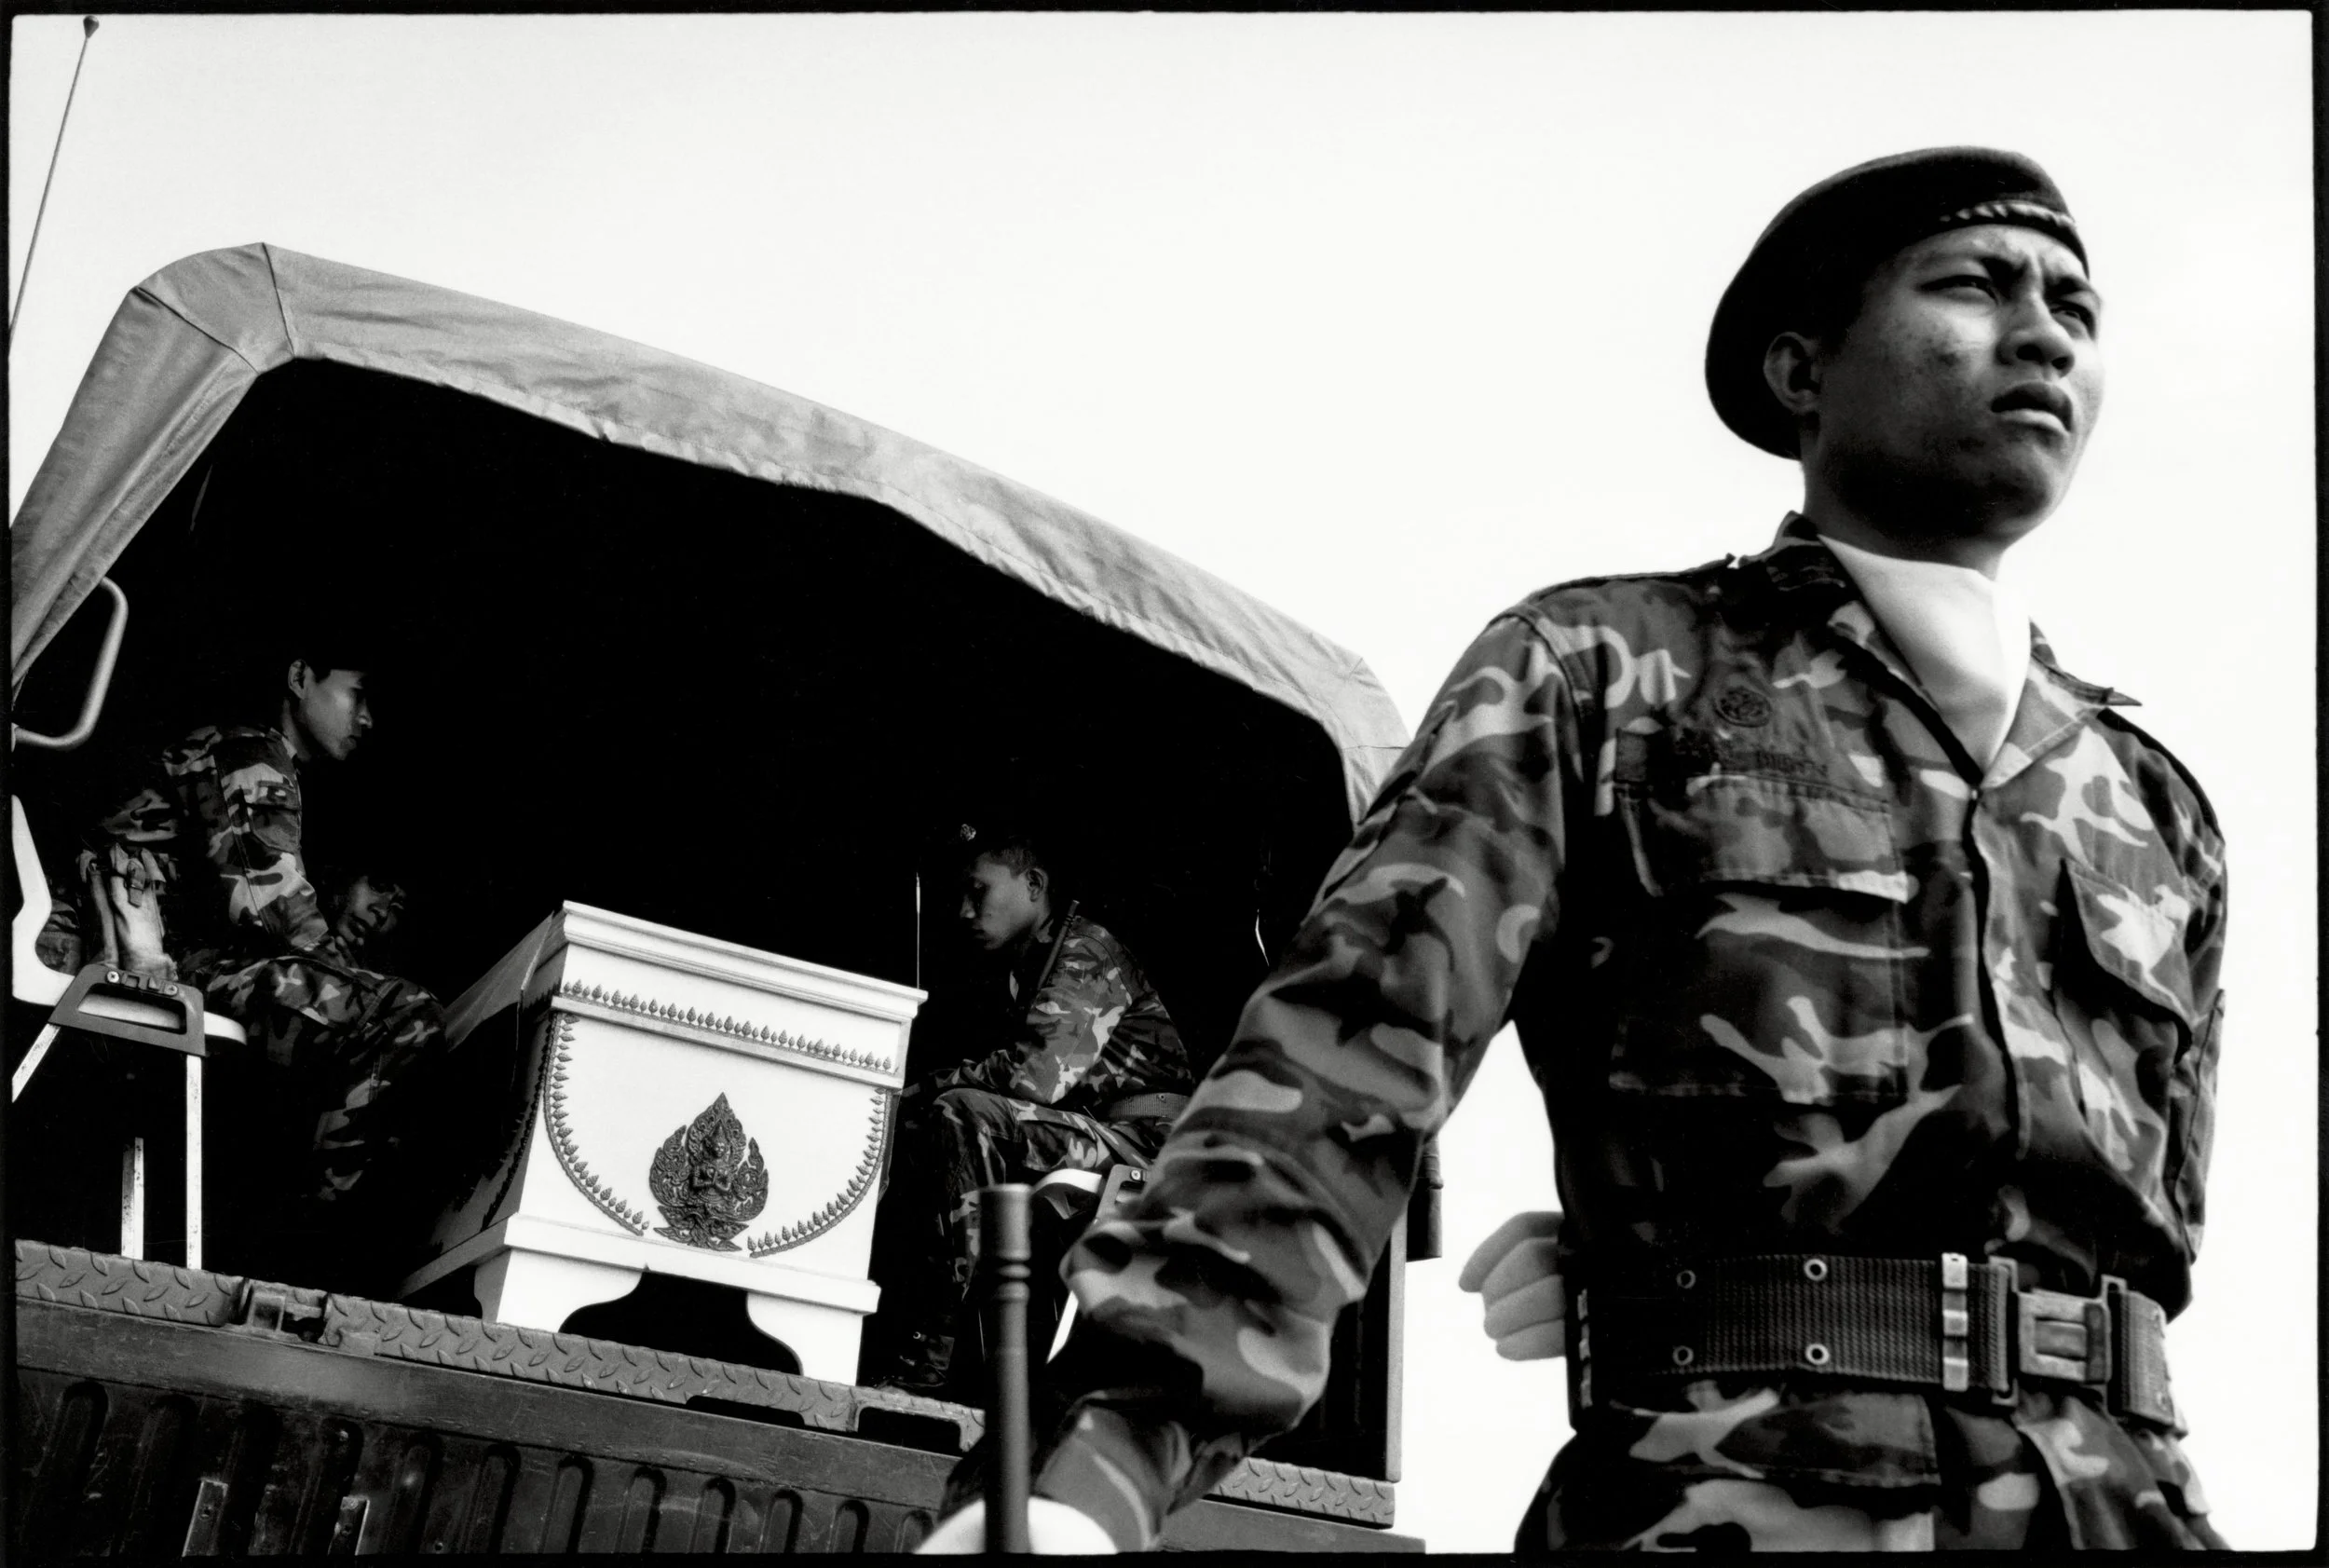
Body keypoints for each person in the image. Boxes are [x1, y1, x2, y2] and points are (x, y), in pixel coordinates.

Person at [920, 148, 2226, 1551]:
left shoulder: (2154, 806)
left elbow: (2140, 1255)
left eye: (2077, 312)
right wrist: (1090, 1476)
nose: (2043, 334)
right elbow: (1332, 1077)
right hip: (1739, 1504)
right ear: (1803, 370)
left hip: (2127, 1509)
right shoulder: (1607, 673)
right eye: (1976, 286)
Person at [86, 638, 445, 1288]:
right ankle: (313, 1258)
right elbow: (273, 908)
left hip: (175, 956)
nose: (367, 720)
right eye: (358, 695)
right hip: (159, 961)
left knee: (362, 1017)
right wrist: (361, 982)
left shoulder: (264, 758)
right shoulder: (251, 753)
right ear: (300, 676)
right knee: (403, 1016)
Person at [868, 825, 1195, 1396]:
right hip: (1109, 1131)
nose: (965, 910)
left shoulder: (1086, 952)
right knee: (945, 1117)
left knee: (963, 1114)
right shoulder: (1033, 961)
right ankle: (935, 1333)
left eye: (979, 891)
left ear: (1034, 884)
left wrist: (929, 1087)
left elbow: (1034, 1080)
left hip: (1148, 1143)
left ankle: (934, 1341)